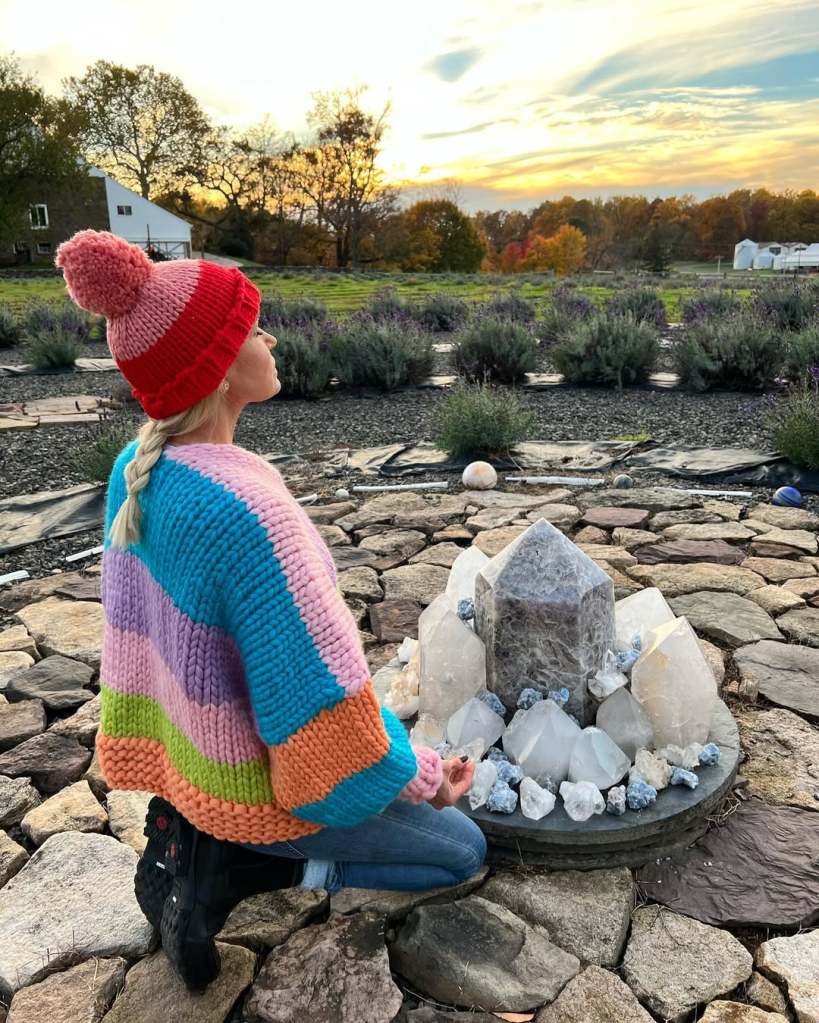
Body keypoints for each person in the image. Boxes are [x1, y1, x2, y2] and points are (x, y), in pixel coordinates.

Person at [54, 230, 486, 991]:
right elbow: (325, 723)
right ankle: (236, 864)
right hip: (257, 787)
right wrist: (424, 778)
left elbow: (147, 647)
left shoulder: (137, 468)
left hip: (196, 758)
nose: (271, 335)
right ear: (218, 367)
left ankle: (189, 822)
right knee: (459, 849)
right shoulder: (252, 517)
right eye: (253, 327)